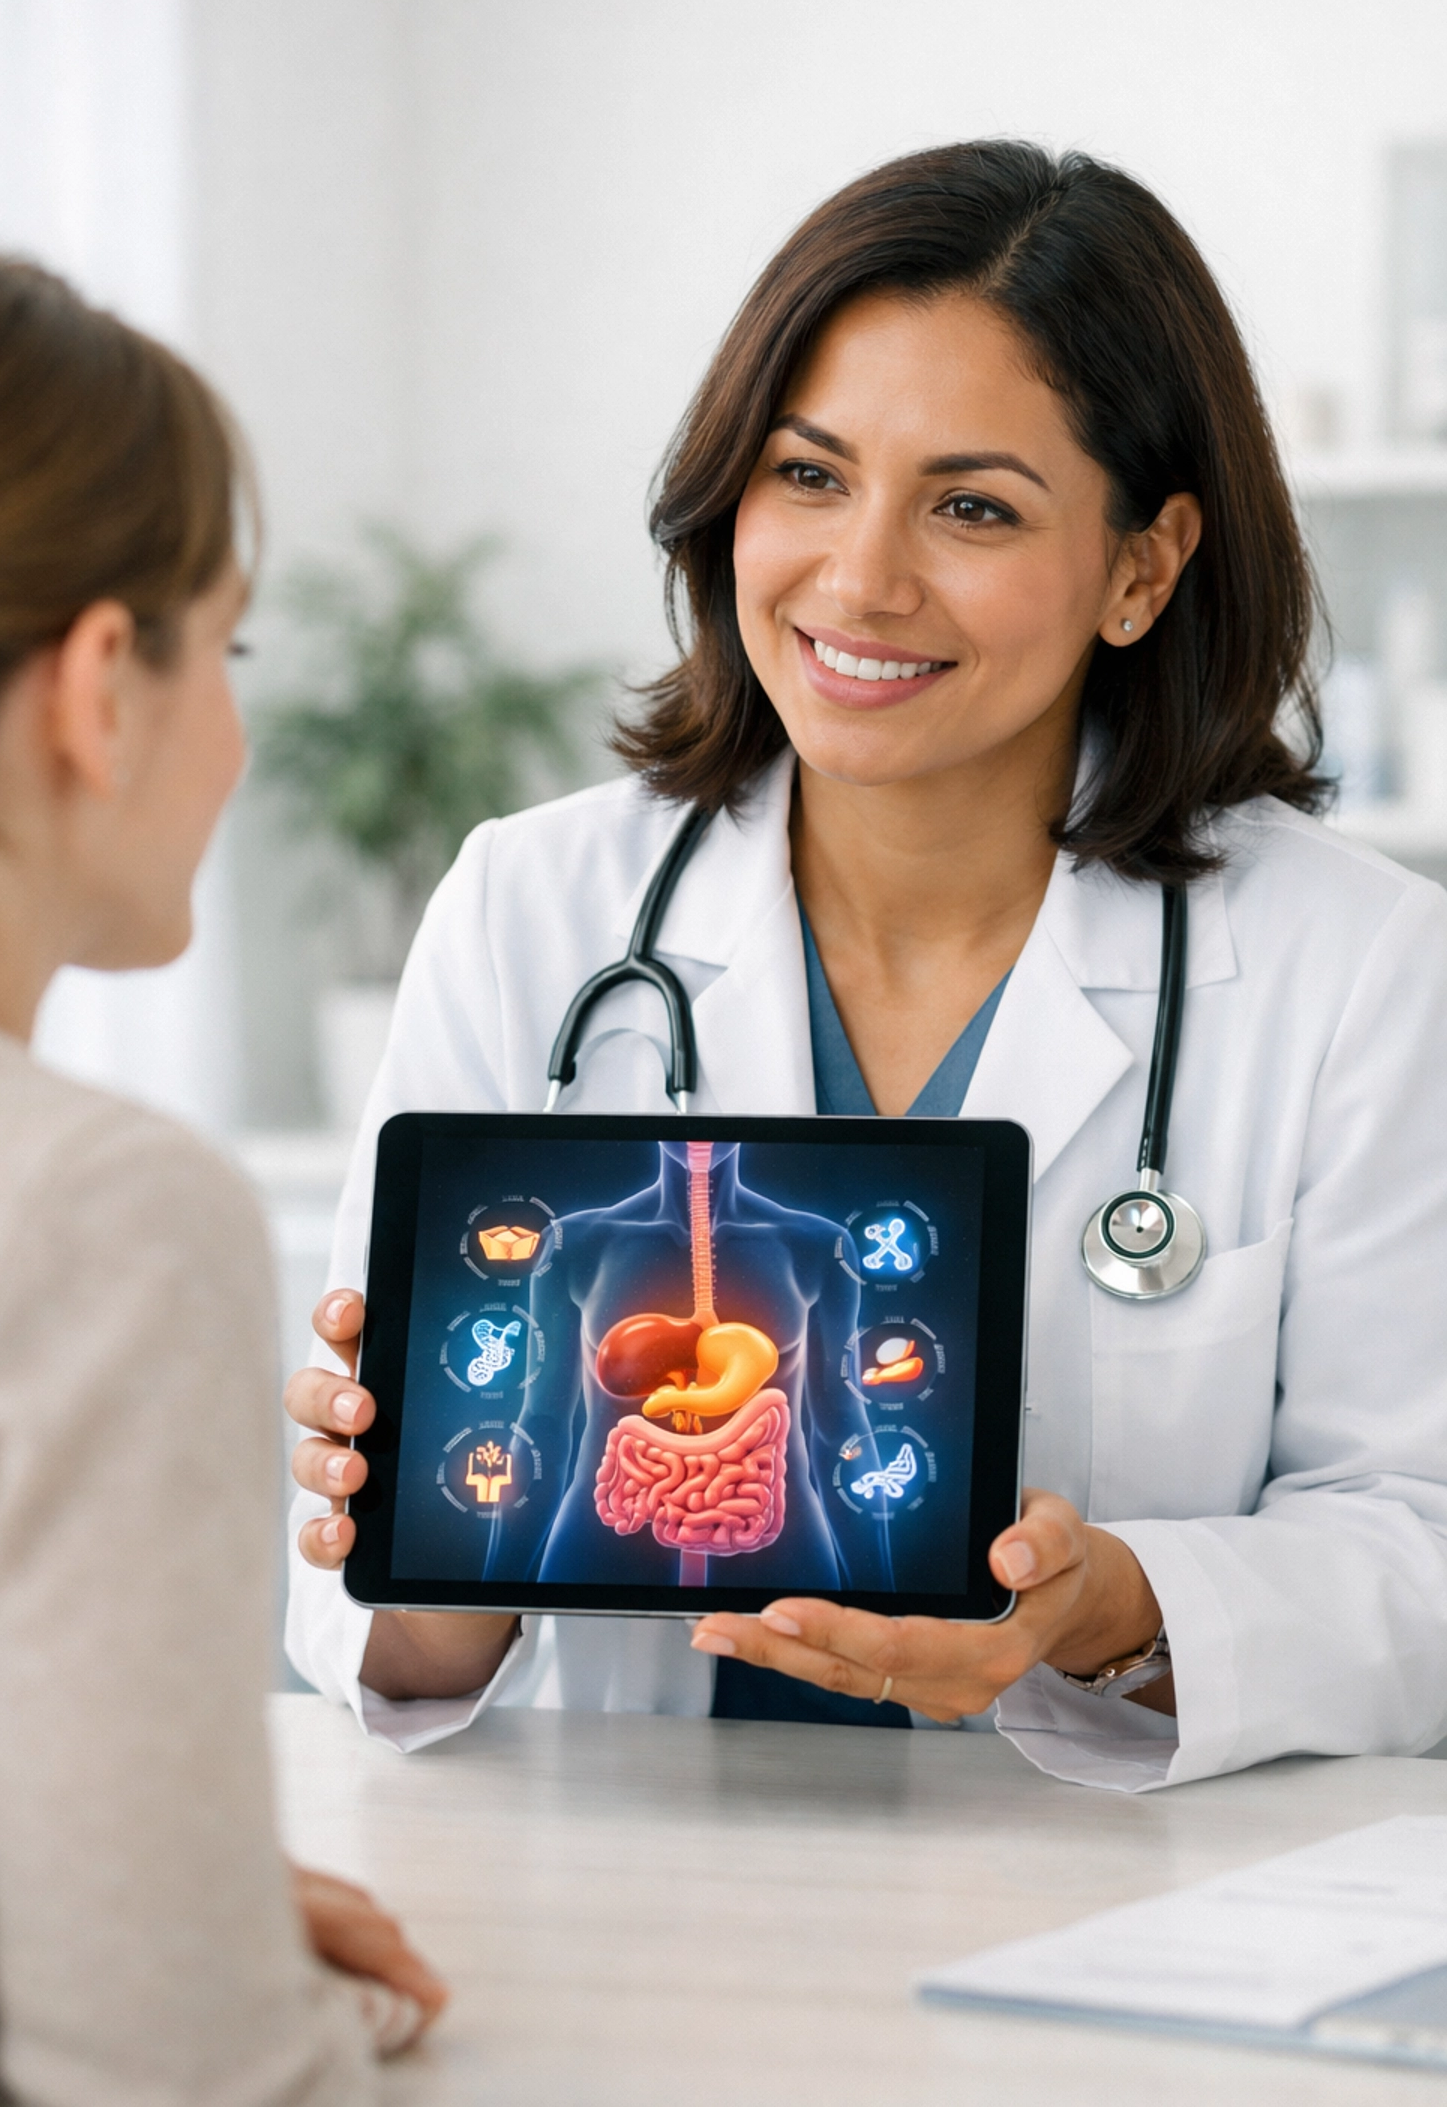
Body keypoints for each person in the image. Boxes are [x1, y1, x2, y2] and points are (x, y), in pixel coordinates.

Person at [286, 141, 1447, 1793]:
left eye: (972, 506)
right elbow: (372, 1640)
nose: (861, 578)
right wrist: (417, 1542)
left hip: (1114, 1934)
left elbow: (1419, 1548)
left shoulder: (1355, 968)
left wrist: (1109, 1610)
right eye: (807, 475)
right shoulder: (529, 908)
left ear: (1143, 565)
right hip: (626, 1920)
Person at [0, 240, 444, 2104]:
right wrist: (284, 2005)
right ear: (93, 691)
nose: (232, 726)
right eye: (223, 647)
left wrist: (171, 1902)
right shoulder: (86, 1216)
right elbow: (168, 2075)